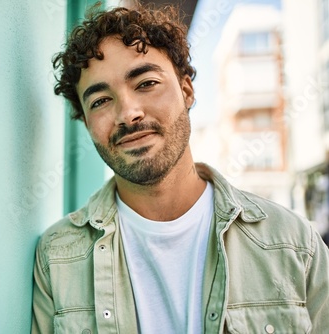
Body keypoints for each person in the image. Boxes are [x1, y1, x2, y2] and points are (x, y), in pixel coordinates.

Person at [32, 2, 329, 333]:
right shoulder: (55, 258)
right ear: (86, 123)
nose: (128, 113)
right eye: (100, 101)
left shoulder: (294, 244)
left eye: (146, 83)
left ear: (186, 90)